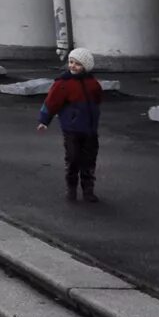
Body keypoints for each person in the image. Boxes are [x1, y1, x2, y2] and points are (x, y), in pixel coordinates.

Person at [38, 46, 105, 202]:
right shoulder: (63, 83)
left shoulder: (92, 83)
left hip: (90, 130)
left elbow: (98, 98)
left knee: (89, 160)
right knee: (73, 158)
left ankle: (88, 190)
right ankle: (72, 188)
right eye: (71, 62)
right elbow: (51, 103)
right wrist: (44, 120)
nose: (73, 66)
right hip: (72, 129)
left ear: (86, 66)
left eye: (77, 63)